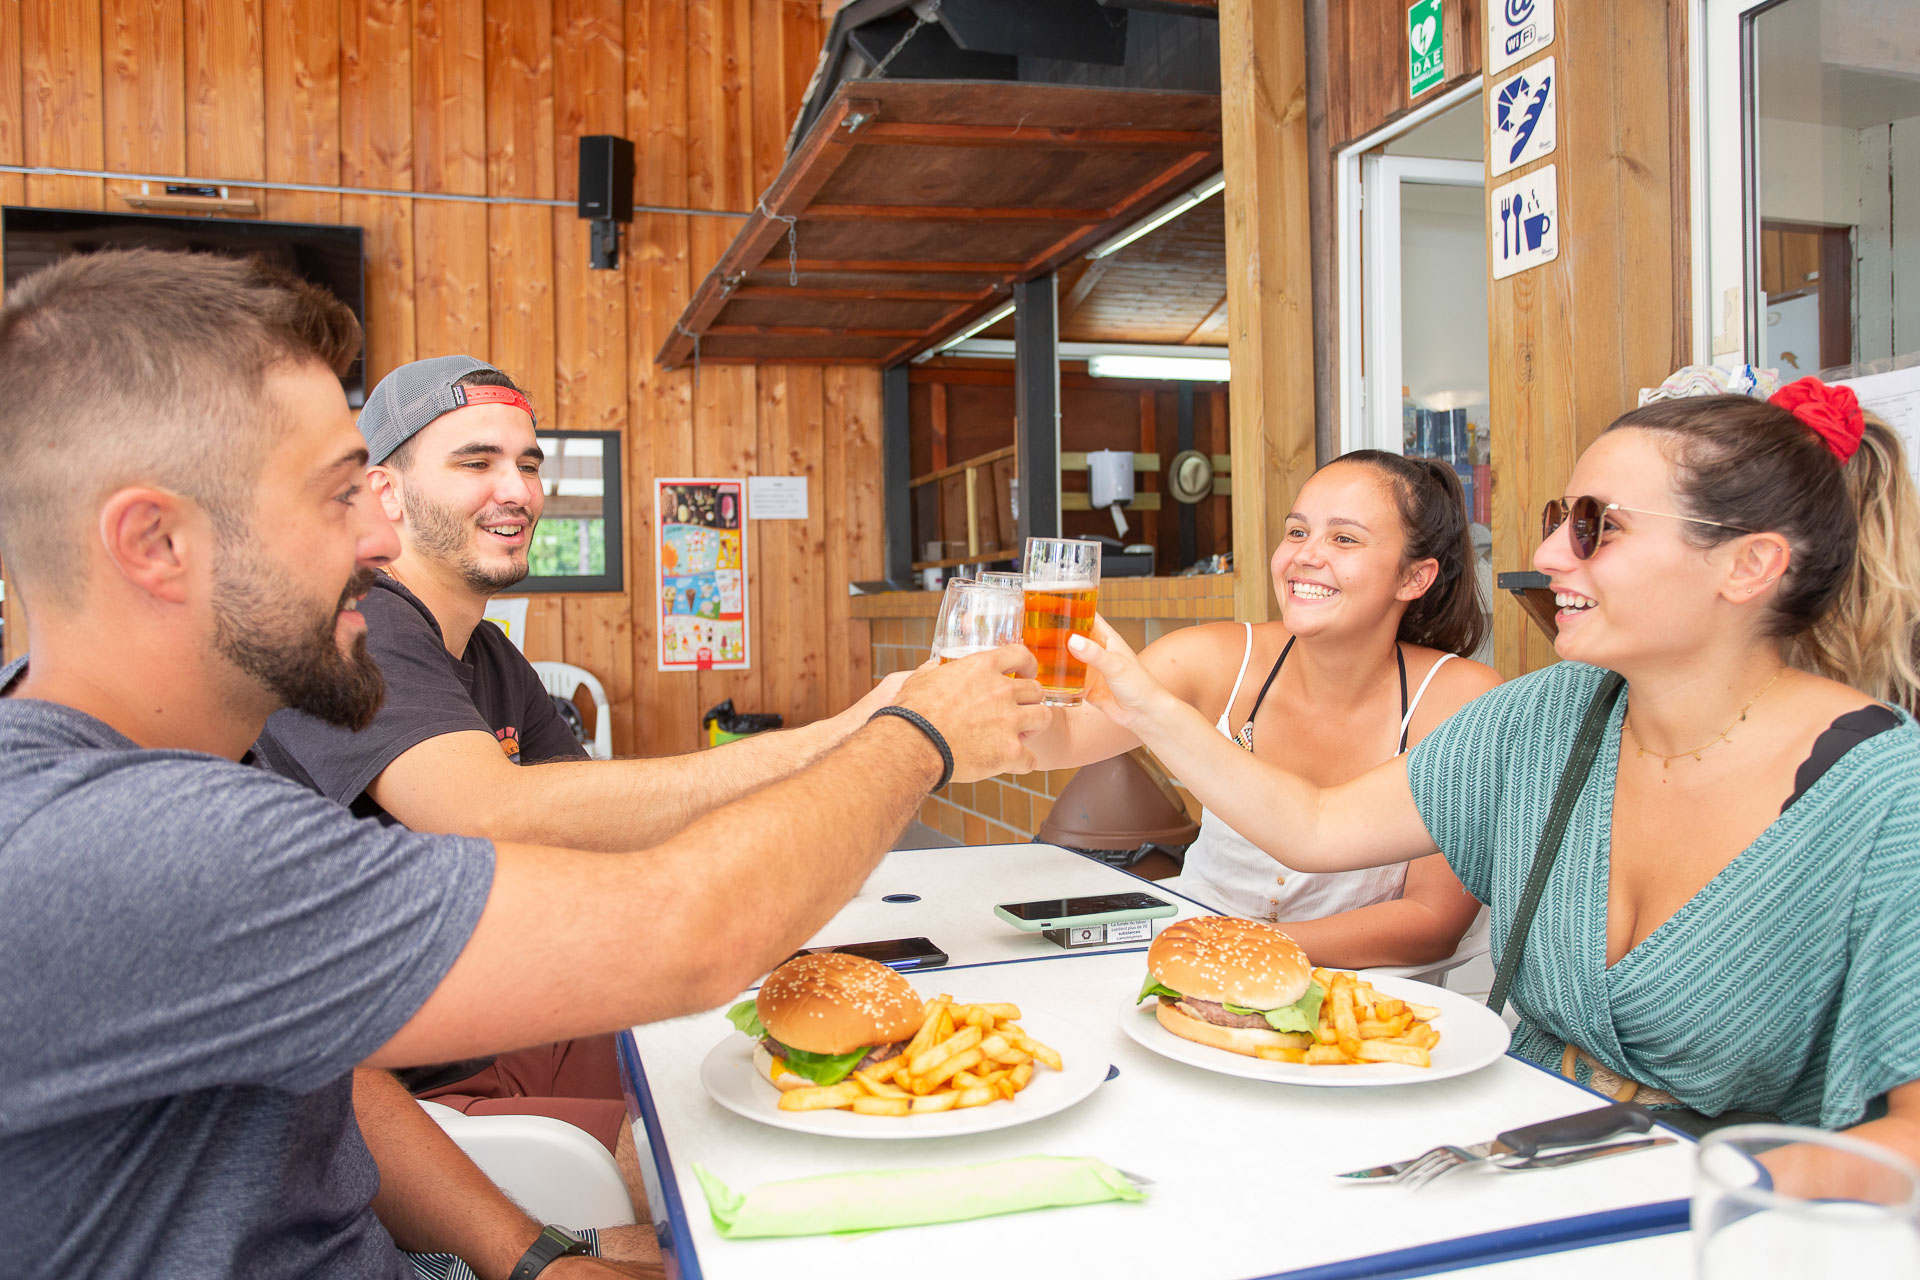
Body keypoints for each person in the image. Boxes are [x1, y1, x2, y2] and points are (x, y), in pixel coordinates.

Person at [0, 248, 1046, 1279]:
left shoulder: (151, 774)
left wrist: (539, 1257)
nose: (379, 533)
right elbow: (689, 921)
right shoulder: (129, 841)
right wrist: (917, 735)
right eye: (335, 495)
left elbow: (331, 1072)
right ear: (155, 543)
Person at [1073, 380, 1920, 1159]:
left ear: (1749, 565)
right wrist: (1146, 707)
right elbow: (1317, 825)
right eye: (1562, 517)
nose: (1551, 554)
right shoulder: (1553, 715)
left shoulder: (1886, 795)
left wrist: (1732, 1199)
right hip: (1503, 1152)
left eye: (1600, 526)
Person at [252, 355, 911, 1154]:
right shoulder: (365, 630)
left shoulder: (492, 657)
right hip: (408, 1098)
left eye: (529, 465)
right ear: (386, 491)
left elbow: (609, 828)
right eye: (476, 461)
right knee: (743, 1145)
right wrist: (862, 733)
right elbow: (488, 812)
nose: (519, 491)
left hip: (528, 1015)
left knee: (820, 1076)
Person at [1027, 452, 1499, 968]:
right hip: (1187, 970)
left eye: (1344, 539)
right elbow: (1063, 738)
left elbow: (1433, 921)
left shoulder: (1462, 701)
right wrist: (981, 697)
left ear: (1414, 578)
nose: (1305, 555)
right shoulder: (1215, 658)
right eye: (1297, 532)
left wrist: (1244, 945)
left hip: (1365, 1011)